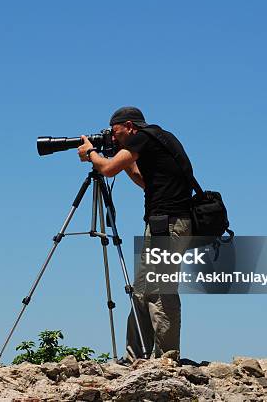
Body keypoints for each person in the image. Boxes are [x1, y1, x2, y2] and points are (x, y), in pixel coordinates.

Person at [77, 106, 194, 361]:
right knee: (141, 291)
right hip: (164, 223)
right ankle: (136, 358)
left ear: (130, 126)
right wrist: (123, 160)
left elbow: (107, 170)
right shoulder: (160, 138)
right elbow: (144, 180)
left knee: (160, 291)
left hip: (168, 224)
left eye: (117, 133)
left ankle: (166, 359)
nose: (115, 138)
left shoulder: (144, 136)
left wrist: (91, 154)